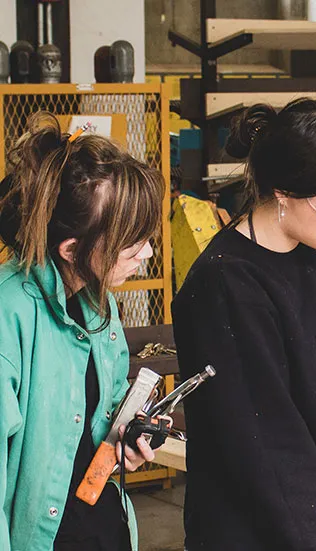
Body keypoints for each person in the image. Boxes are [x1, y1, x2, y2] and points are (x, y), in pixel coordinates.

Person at [172, 99, 316, 551]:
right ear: (284, 192)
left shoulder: (313, 251)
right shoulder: (226, 285)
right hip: (266, 535)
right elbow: (263, 442)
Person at [0, 114, 164, 551]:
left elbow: (100, 412)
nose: (146, 254)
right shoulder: (8, 314)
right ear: (71, 249)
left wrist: (126, 437)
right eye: (131, 245)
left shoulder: (101, 302)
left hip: (105, 527)